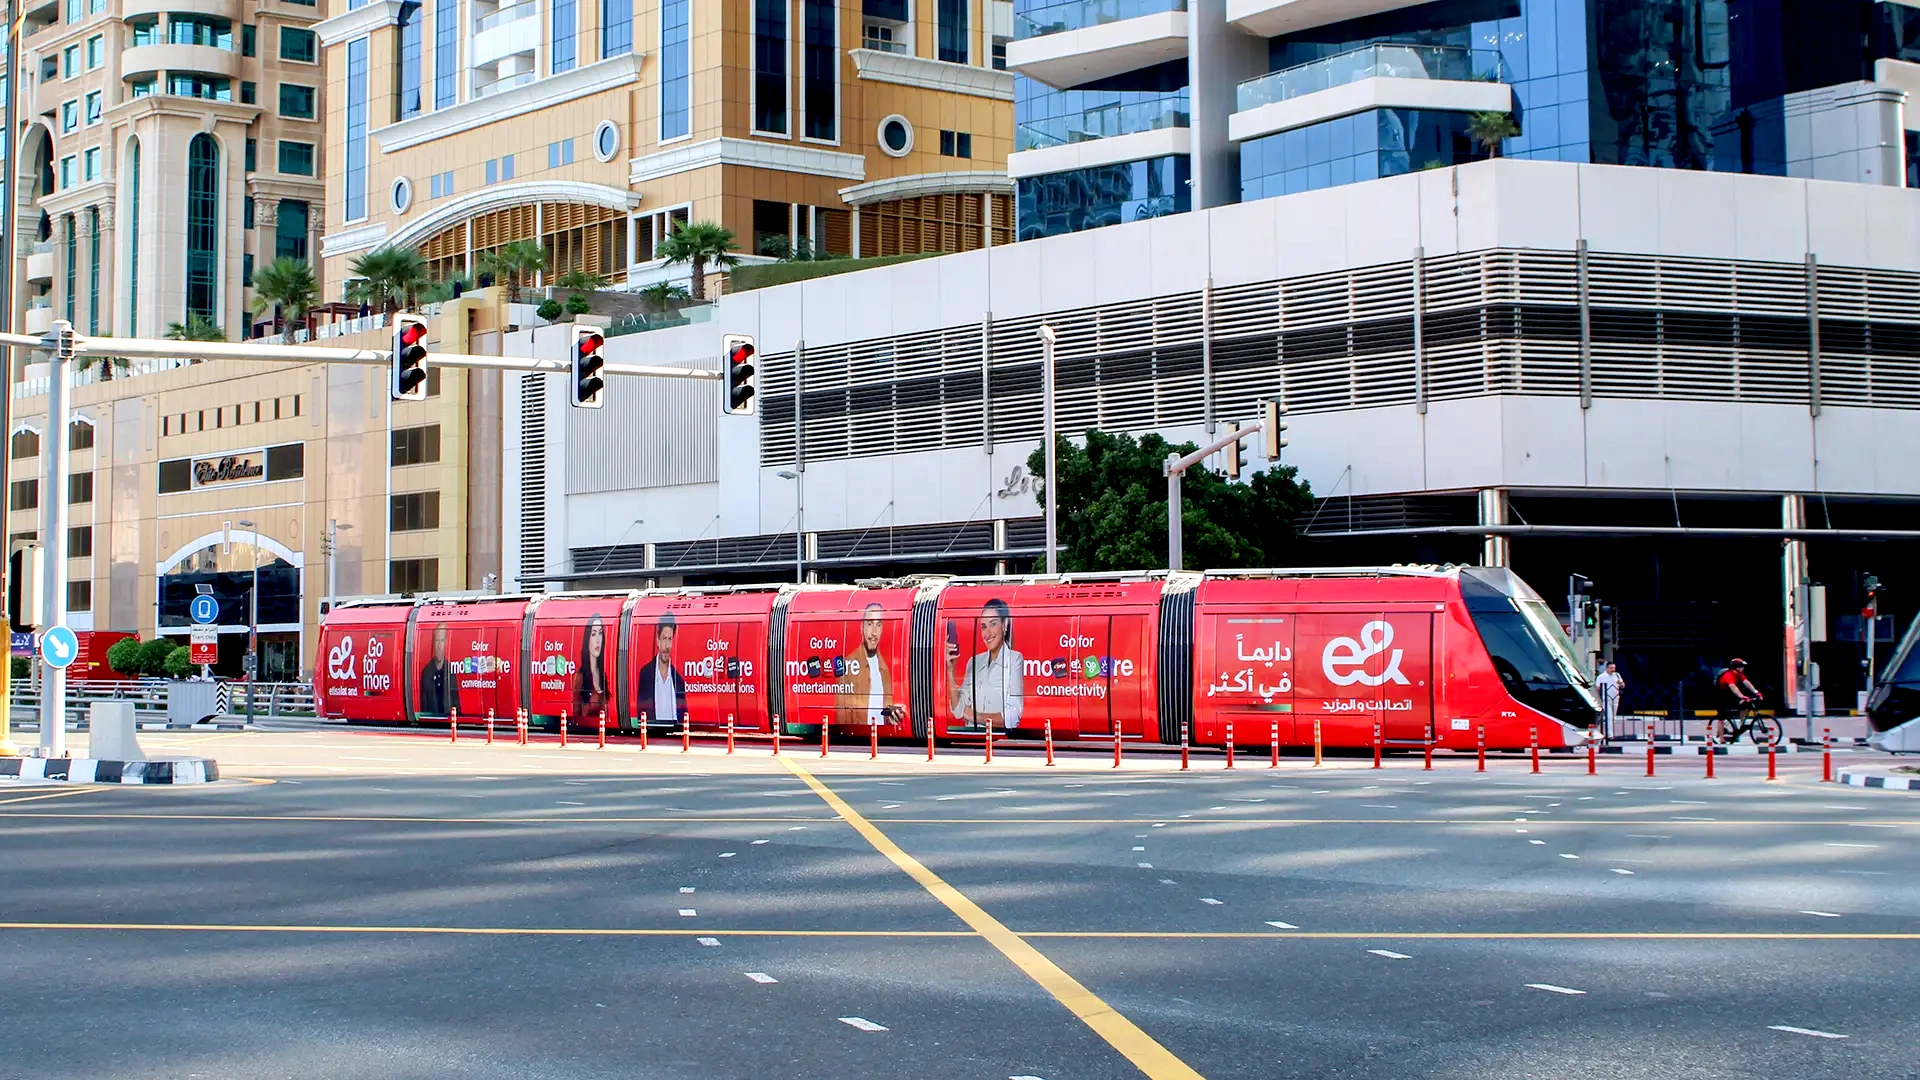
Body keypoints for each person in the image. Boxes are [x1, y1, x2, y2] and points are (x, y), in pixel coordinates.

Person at [948, 598, 1024, 732]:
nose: (987, 633)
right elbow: (958, 709)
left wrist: (974, 716)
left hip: (997, 739)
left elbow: (1013, 716)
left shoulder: (1014, 659)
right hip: (972, 738)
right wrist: (950, 670)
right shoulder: (974, 662)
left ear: (1004, 624)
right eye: (984, 626)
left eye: (993, 624)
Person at [838, 603, 901, 727]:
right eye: (870, 624)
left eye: (878, 625)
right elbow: (842, 715)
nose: (874, 633)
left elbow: (887, 713)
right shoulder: (848, 665)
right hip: (861, 740)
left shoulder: (884, 670)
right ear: (862, 627)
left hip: (879, 737)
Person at [635, 614, 687, 729]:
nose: (667, 645)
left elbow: (684, 717)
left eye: (670, 639)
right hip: (652, 736)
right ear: (658, 641)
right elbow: (641, 712)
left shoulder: (678, 680)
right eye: (664, 639)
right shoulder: (646, 674)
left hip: (674, 738)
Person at [1712, 658, 1761, 742]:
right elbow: (1733, 687)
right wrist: (1742, 696)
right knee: (1722, 716)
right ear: (1736, 668)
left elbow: (1747, 682)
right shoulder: (1728, 675)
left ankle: (1739, 726)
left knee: (1746, 703)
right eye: (1742, 667)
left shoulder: (1739, 674)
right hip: (1719, 695)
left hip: (1729, 694)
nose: (1743, 668)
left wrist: (1756, 692)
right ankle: (1721, 739)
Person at [572, 614, 610, 722]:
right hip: (588, 734)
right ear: (587, 639)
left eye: (600, 633)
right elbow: (576, 714)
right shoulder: (580, 677)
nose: (598, 640)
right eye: (593, 634)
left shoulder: (603, 675)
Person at [418, 625, 450, 718]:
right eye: (437, 641)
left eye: (442, 641)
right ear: (433, 644)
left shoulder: (451, 670)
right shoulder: (426, 673)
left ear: (446, 643)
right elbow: (423, 706)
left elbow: (456, 701)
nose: (439, 646)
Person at [1594, 661, 1625, 738]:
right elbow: (1597, 688)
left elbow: (1623, 685)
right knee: (1609, 716)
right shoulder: (1601, 677)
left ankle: (1609, 732)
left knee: (1613, 717)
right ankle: (1609, 734)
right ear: (1607, 668)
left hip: (1615, 697)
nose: (1613, 669)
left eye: (1614, 668)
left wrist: (1620, 683)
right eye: (1611, 668)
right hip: (1606, 698)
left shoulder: (1617, 675)